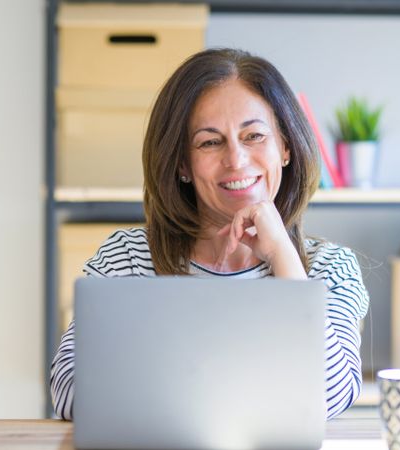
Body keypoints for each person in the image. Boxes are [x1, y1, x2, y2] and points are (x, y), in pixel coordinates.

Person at [50, 48, 370, 421]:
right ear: (182, 164)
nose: (236, 159)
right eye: (210, 141)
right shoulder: (129, 255)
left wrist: (284, 257)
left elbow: (330, 397)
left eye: (253, 135)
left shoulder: (330, 267)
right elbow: (69, 392)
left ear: (285, 147)